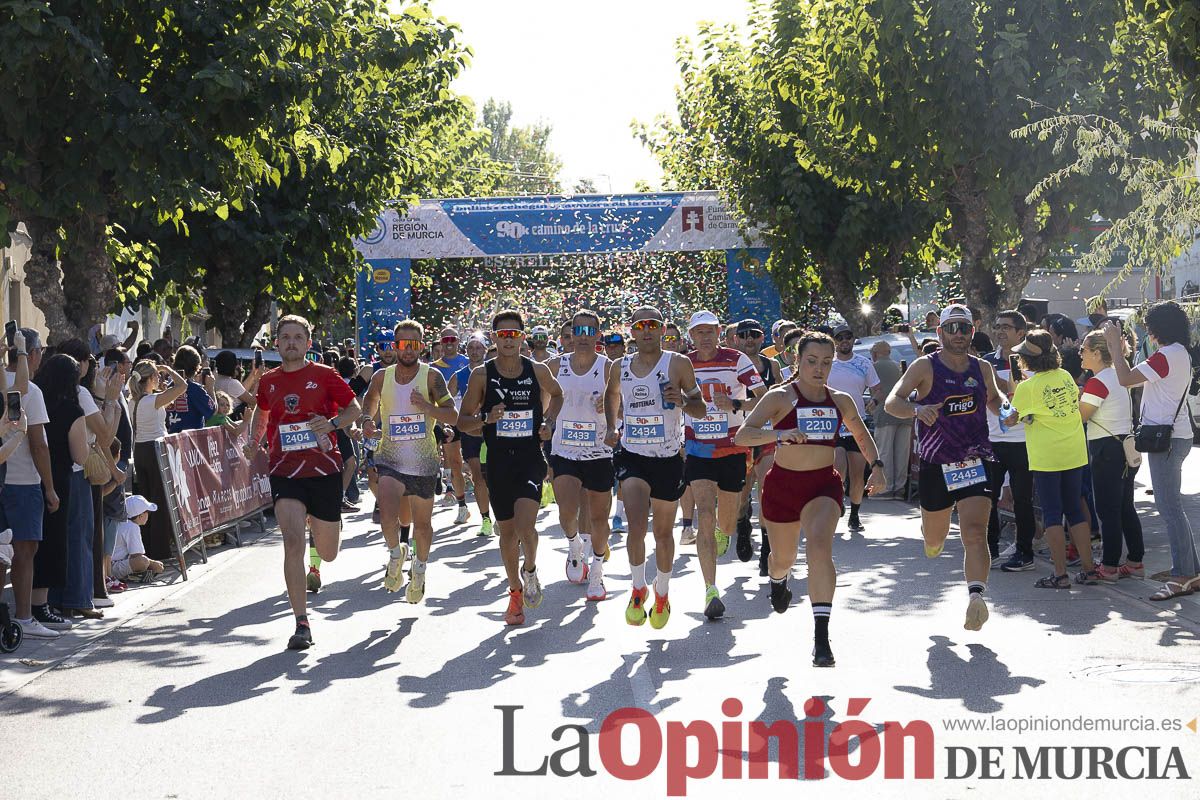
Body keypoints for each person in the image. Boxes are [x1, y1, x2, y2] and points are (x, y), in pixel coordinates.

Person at [736, 331, 885, 667]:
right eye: (812, 361)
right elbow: (744, 434)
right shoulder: (780, 397)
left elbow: (861, 434)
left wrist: (877, 466)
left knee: (820, 546)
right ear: (796, 361)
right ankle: (778, 580)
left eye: (827, 363)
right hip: (782, 487)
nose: (819, 369)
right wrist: (778, 434)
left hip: (823, 487)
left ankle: (821, 638)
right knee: (783, 558)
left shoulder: (840, 400)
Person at [885, 304, 1006, 632]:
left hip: (975, 458)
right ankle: (930, 534)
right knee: (935, 539)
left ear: (972, 331)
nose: (957, 334)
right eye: (950, 328)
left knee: (975, 532)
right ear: (939, 333)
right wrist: (917, 409)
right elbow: (892, 402)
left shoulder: (981, 369)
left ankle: (976, 597)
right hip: (936, 463)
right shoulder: (925, 366)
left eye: (963, 328)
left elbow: (994, 400)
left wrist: (1006, 411)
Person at [244, 315, 361, 650]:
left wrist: (332, 423)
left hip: (324, 472)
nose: (291, 342)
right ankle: (301, 623)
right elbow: (261, 411)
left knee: (329, 552)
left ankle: (325, 530)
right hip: (285, 471)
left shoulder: (325, 376)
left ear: (308, 344)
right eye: (285, 337)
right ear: (277, 343)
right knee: (292, 542)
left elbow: (353, 409)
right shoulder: (268, 380)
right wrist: (255, 440)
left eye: (298, 337)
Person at [457, 310, 563, 626]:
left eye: (513, 334)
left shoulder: (537, 370)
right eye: (502, 334)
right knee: (507, 533)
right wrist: (485, 420)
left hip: (530, 459)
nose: (507, 339)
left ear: (521, 336)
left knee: (527, 526)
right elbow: (463, 421)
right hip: (498, 462)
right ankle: (515, 592)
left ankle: (529, 570)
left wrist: (549, 422)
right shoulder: (481, 375)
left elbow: (557, 395)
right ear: (494, 337)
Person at [604, 306, 705, 629]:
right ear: (632, 331)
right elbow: (612, 395)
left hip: (667, 459)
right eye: (640, 325)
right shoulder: (620, 367)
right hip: (633, 456)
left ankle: (661, 592)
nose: (646, 330)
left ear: (663, 329)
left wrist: (682, 402)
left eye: (653, 324)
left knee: (662, 532)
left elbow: (700, 409)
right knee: (635, 524)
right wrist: (611, 426)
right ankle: (637, 587)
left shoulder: (678, 363)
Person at [1102, 304, 1199, 600]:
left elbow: (1125, 378)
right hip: (1175, 436)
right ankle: (1190, 572)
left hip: (1165, 440)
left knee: (1169, 509)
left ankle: (1182, 575)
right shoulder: (1180, 352)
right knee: (1173, 508)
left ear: (1156, 329)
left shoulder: (1165, 355)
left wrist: (1114, 347)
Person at [362, 319, 459, 603]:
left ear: (422, 346)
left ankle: (419, 570)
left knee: (423, 524)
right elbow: (370, 400)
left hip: (423, 461)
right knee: (388, 516)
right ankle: (396, 554)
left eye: (414, 344)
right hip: (390, 457)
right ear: (395, 346)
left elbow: (451, 415)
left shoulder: (432, 377)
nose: (408, 350)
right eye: (403, 344)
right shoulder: (382, 376)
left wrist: (427, 407)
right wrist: (368, 420)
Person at [684, 310, 766, 619]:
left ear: (720, 332)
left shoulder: (736, 359)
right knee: (704, 512)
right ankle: (710, 590)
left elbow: (763, 396)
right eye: (699, 331)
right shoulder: (684, 363)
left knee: (726, 524)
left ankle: (726, 529)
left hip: (733, 448)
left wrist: (735, 405)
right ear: (691, 335)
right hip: (698, 449)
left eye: (710, 330)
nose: (705, 336)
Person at [1003, 330, 1096, 587]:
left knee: (1053, 514)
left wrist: (1015, 392)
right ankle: (1088, 569)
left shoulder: (1027, 387)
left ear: (1026, 359)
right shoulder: (1065, 376)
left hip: (1047, 456)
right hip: (1074, 451)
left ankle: (1060, 574)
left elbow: (1009, 420)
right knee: (1075, 510)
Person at [2, 330, 63, 637]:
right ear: (33, 353)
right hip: (22, 482)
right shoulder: (31, 392)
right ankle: (23, 617)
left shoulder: (8, 382)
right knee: (24, 550)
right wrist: (50, 488)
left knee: (3, 551)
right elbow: (39, 444)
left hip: (6, 479)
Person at [549, 310, 613, 601]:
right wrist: (545, 423)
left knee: (600, 519)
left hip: (599, 451)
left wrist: (610, 407)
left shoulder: (610, 368)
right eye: (579, 331)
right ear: (570, 335)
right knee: (566, 510)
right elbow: (541, 401)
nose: (584, 337)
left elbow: (625, 407)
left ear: (598, 336)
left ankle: (597, 573)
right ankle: (575, 546)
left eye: (591, 332)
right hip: (564, 449)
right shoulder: (553, 366)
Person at [1078, 330, 1143, 583]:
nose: (1079, 353)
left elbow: (1081, 416)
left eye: (1083, 349)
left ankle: (1109, 566)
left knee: (1107, 510)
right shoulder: (1120, 371)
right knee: (1125, 506)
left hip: (1106, 449)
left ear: (1096, 353)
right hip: (1126, 446)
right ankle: (1135, 561)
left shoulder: (1098, 381)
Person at [34, 354, 96, 618]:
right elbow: (80, 456)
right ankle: (44, 605)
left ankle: (35, 603)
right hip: (59, 479)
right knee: (53, 542)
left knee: (30, 544)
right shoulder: (72, 410)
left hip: (30, 475)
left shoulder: (35, 401)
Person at [983, 311, 1038, 572]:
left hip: (1024, 440)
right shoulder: (986, 362)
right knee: (988, 498)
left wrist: (1001, 384)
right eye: (997, 326)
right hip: (992, 440)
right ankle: (990, 550)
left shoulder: (1032, 363)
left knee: (1023, 500)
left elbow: (1022, 398)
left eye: (1006, 327)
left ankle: (1024, 553)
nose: (1000, 331)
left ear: (1020, 333)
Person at [129, 360, 188, 560]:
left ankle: (147, 548)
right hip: (155, 451)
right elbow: (182, 387)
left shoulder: (133, 401)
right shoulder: (151, 400)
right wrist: (170, 370)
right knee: (160, 501)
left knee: (145, 501)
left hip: (140, 450)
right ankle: (161, 550)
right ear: (152, 378)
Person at [827, 323, 883, 531]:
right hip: (832, 424)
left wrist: (874, 402)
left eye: (848, 337)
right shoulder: (828, 363)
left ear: (852, 339)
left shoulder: (863, 363)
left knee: (857, 474)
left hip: (856, 423)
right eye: (840, 337)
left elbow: (878, 389)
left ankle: (855, 514)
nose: (844, 341)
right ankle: (838, 499)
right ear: (834, 341)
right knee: (837, 468)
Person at [449, 334, 492, 536]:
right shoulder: (459, 375)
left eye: (479, 347)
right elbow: (446, 403)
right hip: (471, 431)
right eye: (471, 347)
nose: (475, 351)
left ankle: (502, 515)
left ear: (485, 350)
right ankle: (486, 519)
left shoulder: (495, 370)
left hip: (494, 430)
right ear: (466, 350)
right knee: (477, 476)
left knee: (496, 476)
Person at [431, 326, 471, 522]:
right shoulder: (434, 366)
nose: (449, 343)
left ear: (458, 341)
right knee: (454, 460)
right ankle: (460, 503)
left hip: (472, 416)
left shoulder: (468, 361)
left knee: (478, 462)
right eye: (445, 340)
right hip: (450, 419)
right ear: (440, 343)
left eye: (452, 339)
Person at [870, 339, 910, 498]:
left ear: (874, 353)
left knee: (885, 451)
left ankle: (885, 488)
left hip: (885, 414)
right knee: (902, 453)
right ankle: (899, 488)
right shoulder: (898, 367)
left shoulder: (873, 367)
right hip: (905, 415)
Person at [110, 495, 165, 581]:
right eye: (148, 512)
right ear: (141, 515)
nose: (148, 515)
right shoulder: (132, 527)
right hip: (113, 567)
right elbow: (136, 555)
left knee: (147, 562)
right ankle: (131, 575)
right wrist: (153, 563)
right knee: (143, 562)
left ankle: (134, 574)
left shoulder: (119, 521)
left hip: (108, 565)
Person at [166, 345, 216, 433]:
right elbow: (212, 412)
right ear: (196, 367)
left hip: (169, 439)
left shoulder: (167, 387)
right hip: (190, 441)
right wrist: (210, 388)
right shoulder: (194, 389)